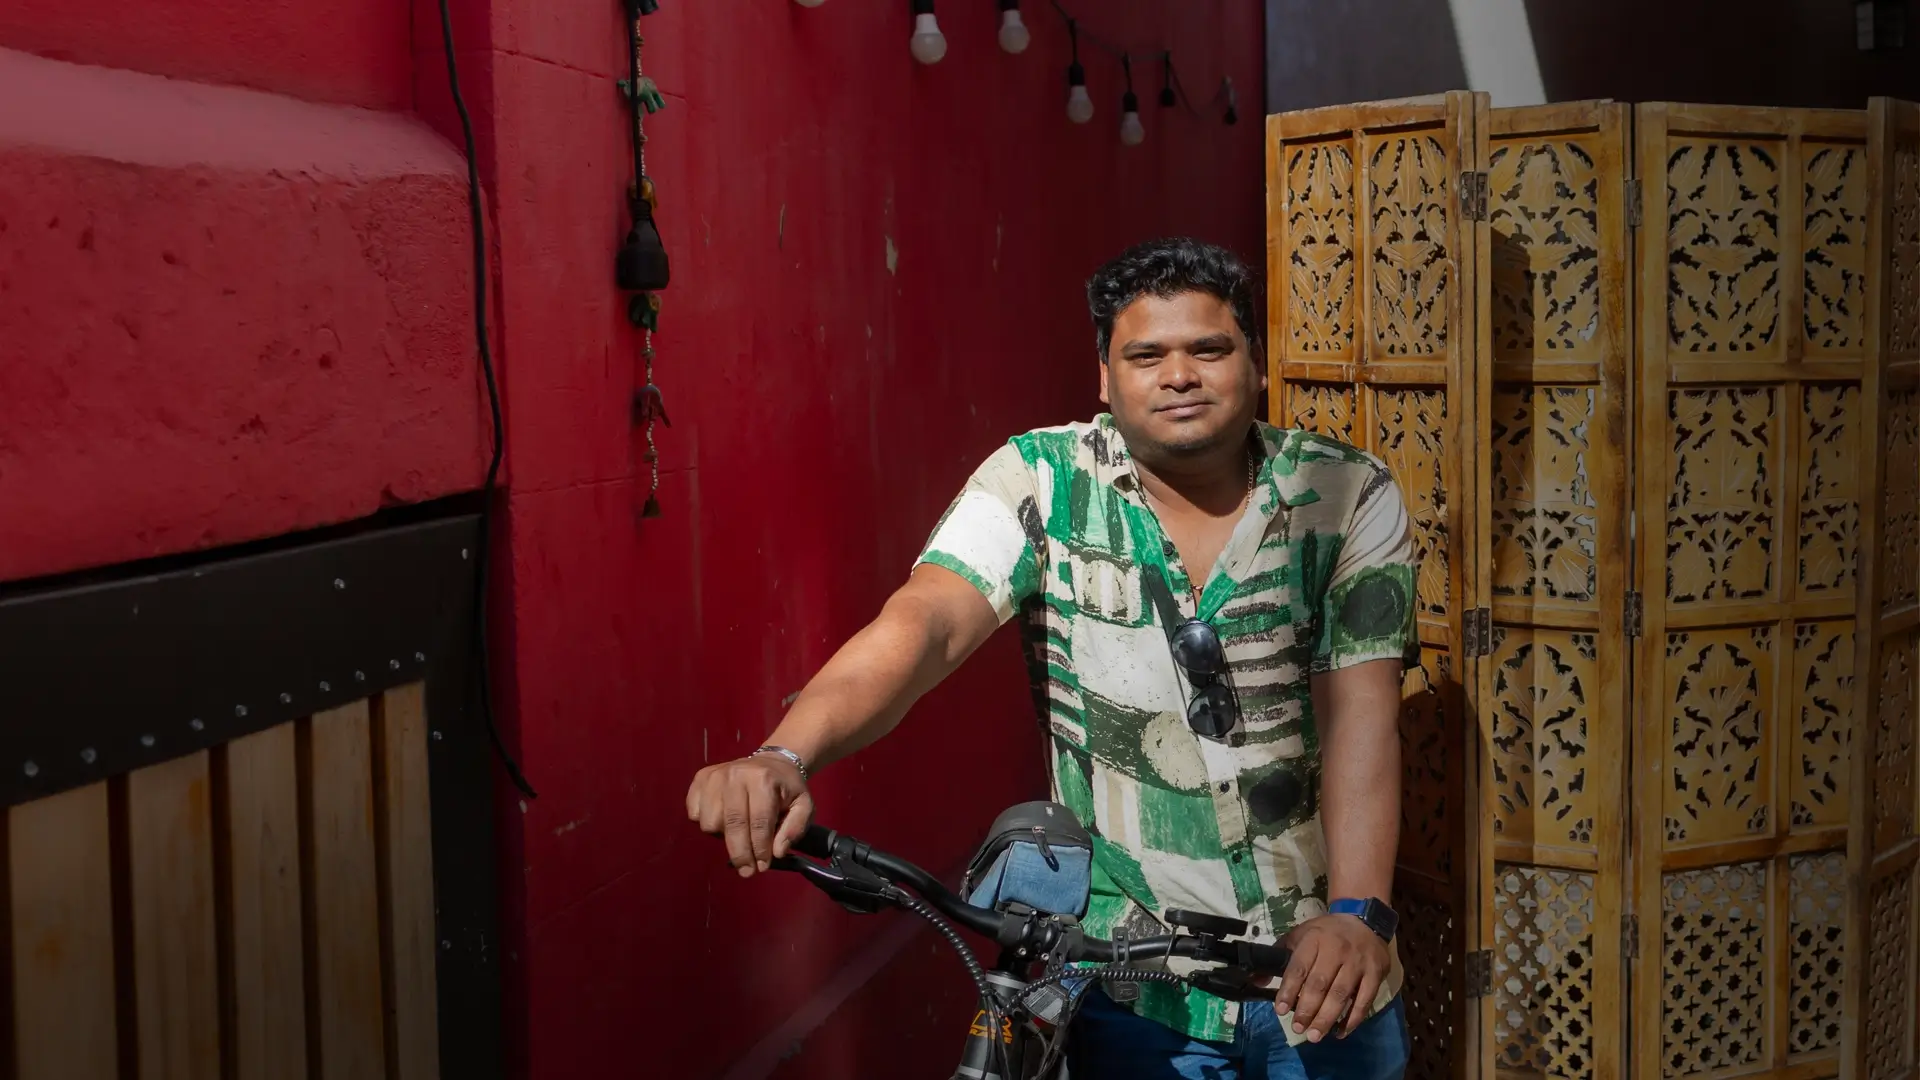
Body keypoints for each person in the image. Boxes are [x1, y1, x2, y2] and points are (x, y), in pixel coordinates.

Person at [686, 237, 1415, 1079]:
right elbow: (925, 623)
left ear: (1256, 366)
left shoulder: (1346, 493)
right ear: (1105, 380)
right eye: (1146, 355)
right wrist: (785, 751)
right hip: (1129, 983)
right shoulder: (1040, 479)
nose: (1179, 374)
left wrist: (1358, 914)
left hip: (1323, 975)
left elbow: (1362, 709)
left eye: (1209, 349)